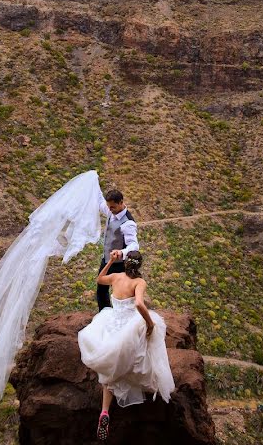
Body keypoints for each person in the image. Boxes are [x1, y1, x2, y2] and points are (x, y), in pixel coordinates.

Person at [78, 250, 175, 441]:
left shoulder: (115, 277)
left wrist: (110, 261)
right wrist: (149, 323)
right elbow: (139, 304)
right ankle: (143, 386)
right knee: (147, 342)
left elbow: (99, 279)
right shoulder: (139, 282)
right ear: (139, 266)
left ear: (125, 264)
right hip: (129, 325)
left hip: (111, 323)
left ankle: (105, 412)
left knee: (110, 367)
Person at [96, 188, 139, 311]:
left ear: (121, 202)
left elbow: (134, 245)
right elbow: (100, 203)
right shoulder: (112, 211)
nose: (109, 209)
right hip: (107, 260)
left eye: (112, 207)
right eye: (109, 207)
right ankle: (104, 315)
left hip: (120, 264)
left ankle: (120, 316)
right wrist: (94, 181)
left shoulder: (128, 223)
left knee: (120, 293)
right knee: (101, 289)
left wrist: (121, 252)